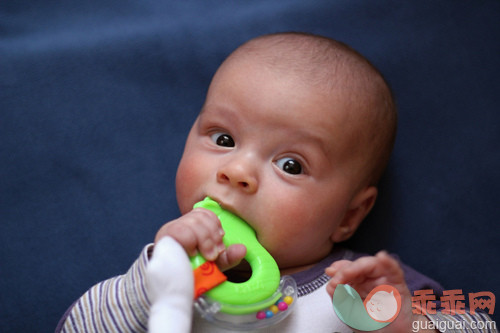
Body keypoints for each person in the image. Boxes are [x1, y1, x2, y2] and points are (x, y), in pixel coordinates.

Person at [57, 32, 495, 332]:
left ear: (349, 215)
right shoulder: (166, 278)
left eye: (290, 165)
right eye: (224, 139)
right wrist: (155, 279)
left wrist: (405, 321)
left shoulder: (360, 289)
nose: (238, 172)